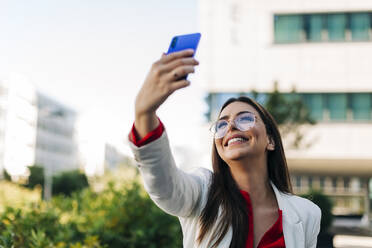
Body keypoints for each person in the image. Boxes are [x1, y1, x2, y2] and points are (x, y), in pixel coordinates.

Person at [128, 49, 321, 248]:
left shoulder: (307, 214)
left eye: (245, 118)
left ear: (270, 140)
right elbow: (164, 188)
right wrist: (144, 114)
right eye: (221, 124)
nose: (230, 127)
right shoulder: (202, 192)